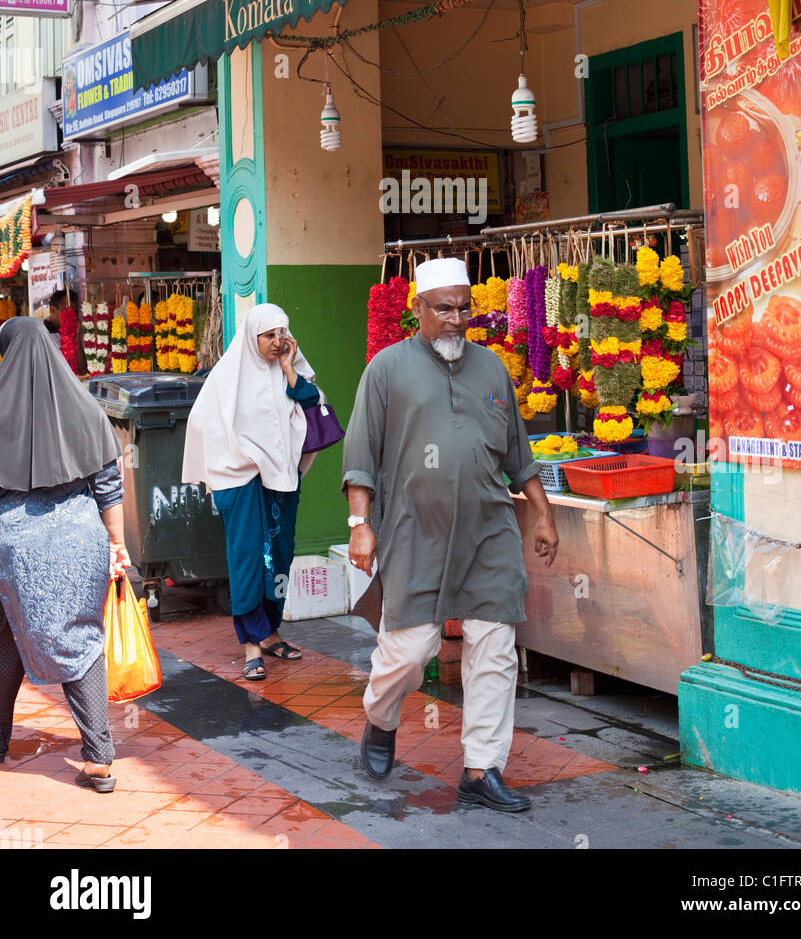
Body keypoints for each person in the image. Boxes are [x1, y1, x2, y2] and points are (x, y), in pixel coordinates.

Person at [342, 257, 559, 813]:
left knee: (495, 648)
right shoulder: (386, 369)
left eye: (464, 309)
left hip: (489, 530)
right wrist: (360, 526)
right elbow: (360, 454)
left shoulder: (492, 368)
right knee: (410, 652)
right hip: (415, 531)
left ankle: (481, 769)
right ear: (418, 309)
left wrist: (543, 513)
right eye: (444, 309)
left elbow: (519, 454)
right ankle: (380, 717)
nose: (456, 320)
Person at [0, 317, 131, 792]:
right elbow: (109, 488)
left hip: (15, 548)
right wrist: (117, 545)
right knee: (82, 640)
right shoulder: (86, 409)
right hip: (80, 540)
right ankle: (99, 758)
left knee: (7, 636)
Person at [182, 303, 322, 681]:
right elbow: (202, 423)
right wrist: (234, 461)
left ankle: (271, 632)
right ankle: (251, 646)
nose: (277, 342)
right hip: (240, 480)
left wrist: (289, 369)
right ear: (251, 336)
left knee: (280, 555)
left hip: (282, 479)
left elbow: (312, 404)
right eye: (269, 335)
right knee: (249, 559)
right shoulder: (228, 375)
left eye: (282, 334)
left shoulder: (290, 368)